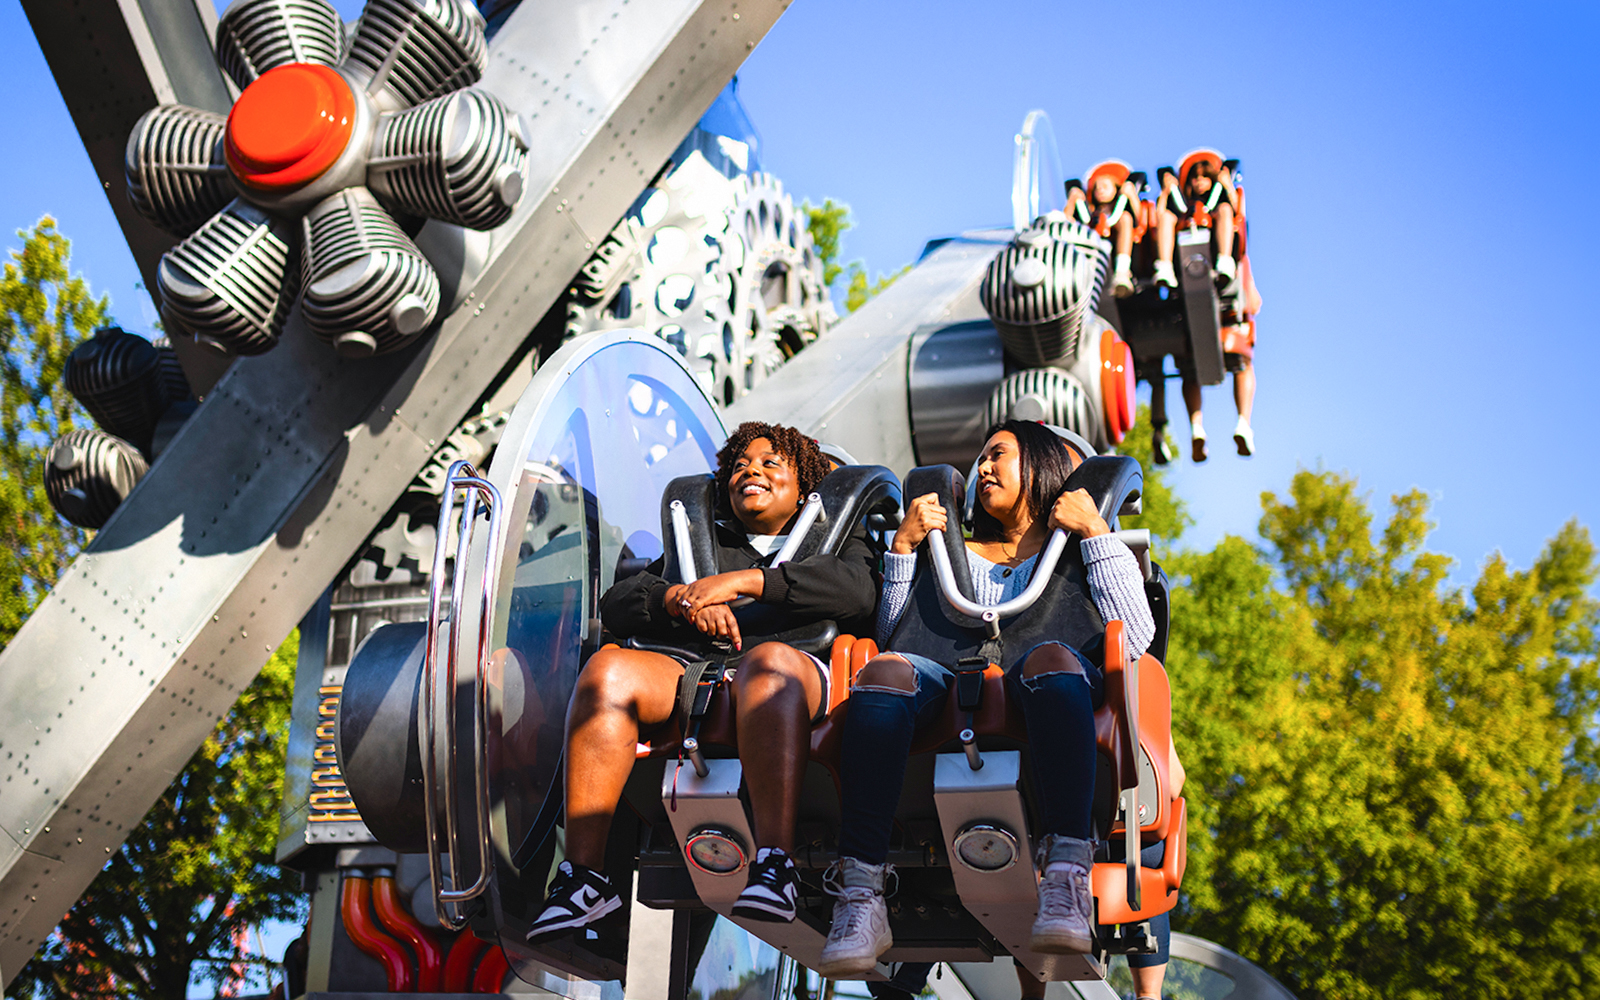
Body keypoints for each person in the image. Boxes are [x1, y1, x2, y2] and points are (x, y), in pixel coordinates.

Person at [816, 420, 1155, 977]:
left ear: (1042, 465)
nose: (984, 468)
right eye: (981, 460)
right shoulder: (953, 549)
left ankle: (1067, 879)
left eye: (998, 455)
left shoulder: (1077, 541)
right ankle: (860, 894)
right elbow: (900, 632)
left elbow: (1137, 637)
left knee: (1051, 658)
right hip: (947, 676)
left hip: (1045, 683)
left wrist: (1096, 533)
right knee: (885, 674)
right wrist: (903, 548)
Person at [527, 422, 880, 941]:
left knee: (767, 667)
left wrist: (744, 584)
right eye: (740, 465)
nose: (751, 472)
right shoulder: (703, 541)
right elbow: (620, 605)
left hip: (798, 667)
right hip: (697, 669)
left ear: (805, 485)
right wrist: (682, 599)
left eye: (769, 464)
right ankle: (585, 880)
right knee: (608, 671)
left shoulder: (840, 535)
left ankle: (774, 864)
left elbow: (858, 594)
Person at [1152, 150, 1239, 290]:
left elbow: (1237, 211)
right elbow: (1159, 217)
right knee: (1167, 217)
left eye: (1205, 177)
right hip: (1183, 237)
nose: (1199, 181)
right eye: (1195, 177)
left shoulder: (1219, 201)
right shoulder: (1181, 203)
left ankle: (1224, 262)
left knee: (1225, 209)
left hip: (1213, 241)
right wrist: (1165, 192)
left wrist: (1228, 184)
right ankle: (1165, 268)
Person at [1066, 161, 1147, 298]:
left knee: (1125, 218)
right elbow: (1065, 223)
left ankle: (1122, 272)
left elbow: (1142, 221)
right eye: (1097, 188)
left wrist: (1131, 194)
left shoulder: (1123, 213)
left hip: (1130, 253)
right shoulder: (1090, 214)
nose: (1100, 190)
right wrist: (1072, 201)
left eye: (1105, 186)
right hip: (1092, 257)